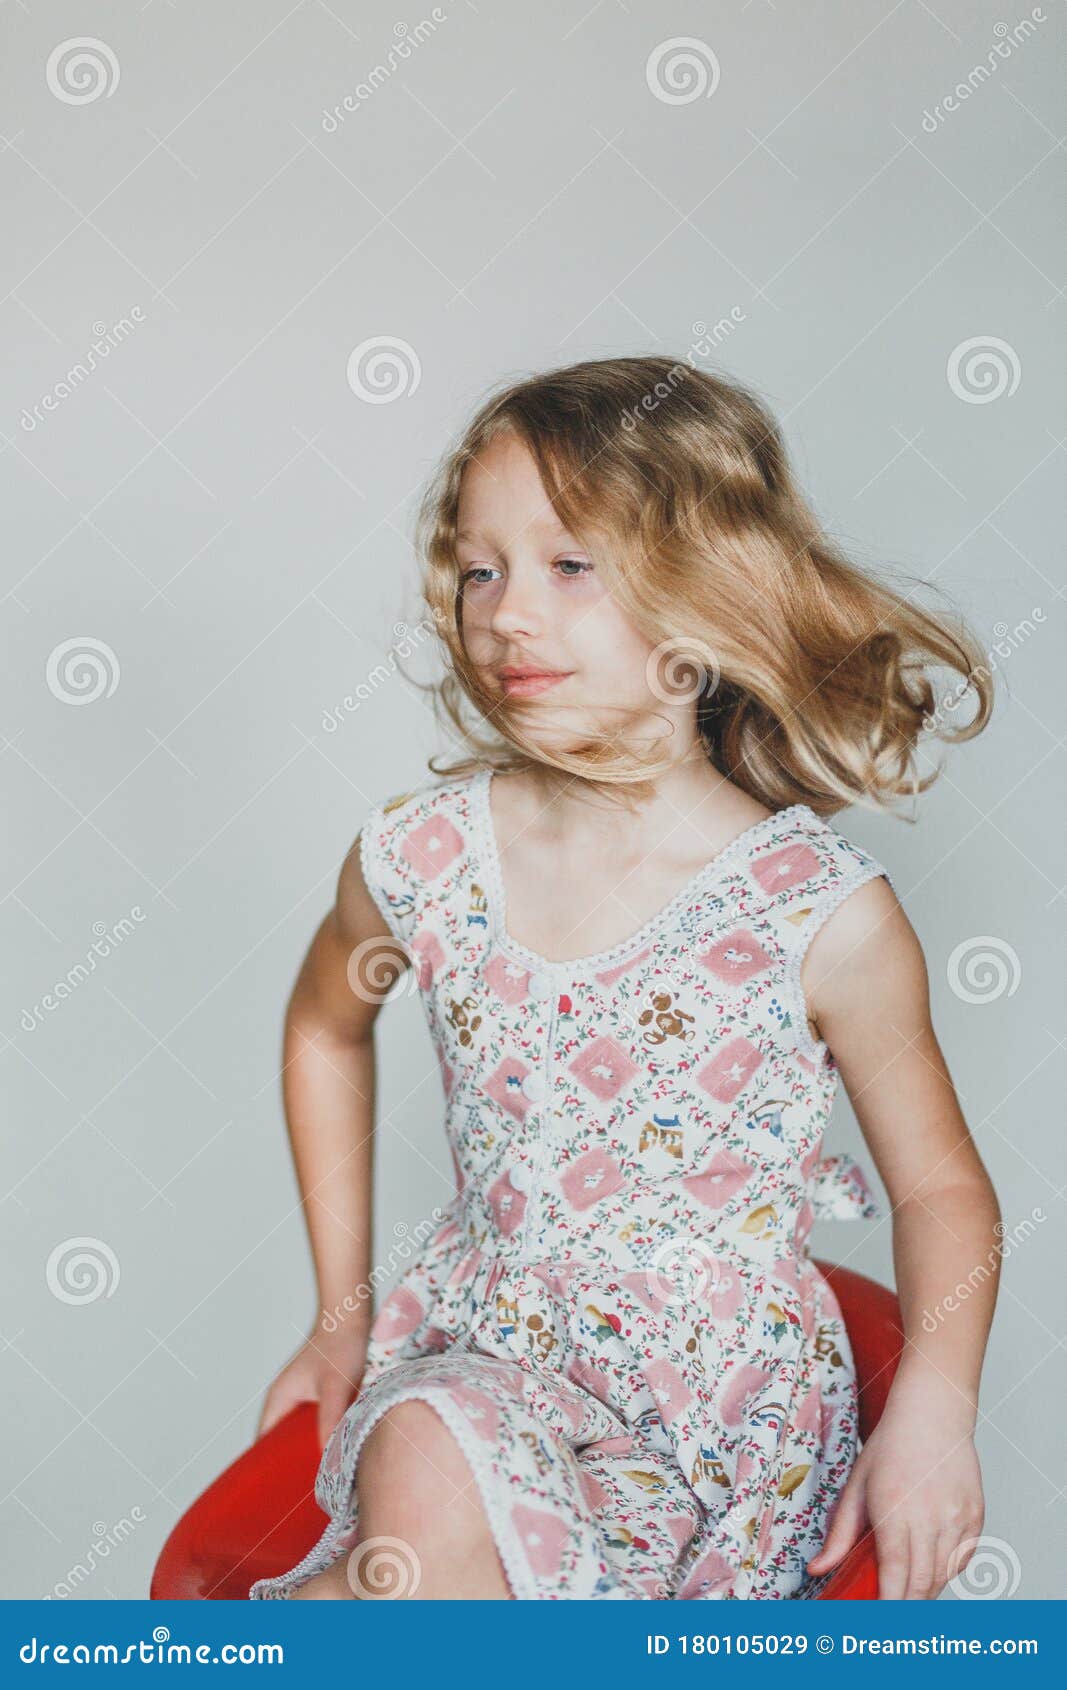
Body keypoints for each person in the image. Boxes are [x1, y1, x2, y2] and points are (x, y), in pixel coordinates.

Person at [249, 356, 1000, 1601]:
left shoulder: (814, 911)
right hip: (485, 1365)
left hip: (715, 1433)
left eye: (568, 565)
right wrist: (342, 1316)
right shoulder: (424, 858)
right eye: (480, 567)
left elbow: (939, 1191)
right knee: (428, 1473)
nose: (505, 613)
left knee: (394, 1603)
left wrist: (933, 1406)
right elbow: (325, 1031)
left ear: (710, 587)